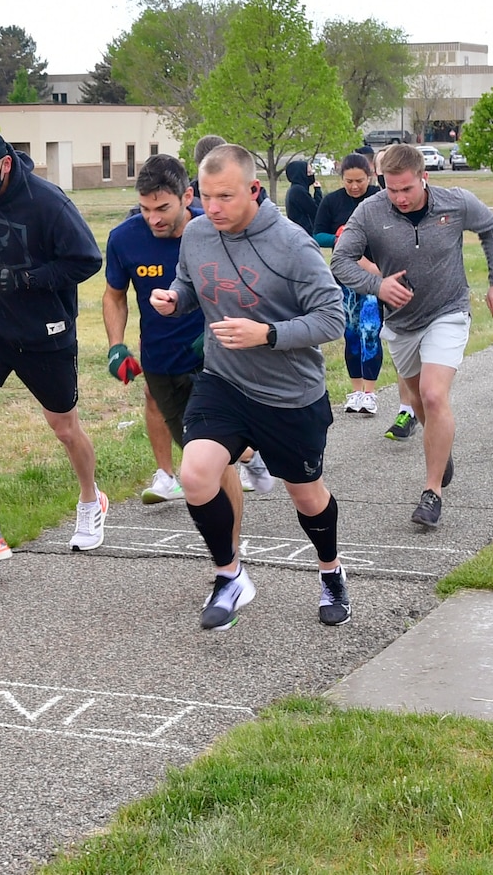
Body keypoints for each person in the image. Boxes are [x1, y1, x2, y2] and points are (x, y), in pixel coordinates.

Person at [149, 144, 348, 629]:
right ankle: (230, 575)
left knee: (306, 495)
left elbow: (332, 317)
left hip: (289, 393)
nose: (212, 208)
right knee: (196, 474)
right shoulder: (197, 233)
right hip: (224, 381)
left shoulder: (293, 243)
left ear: (254, 190)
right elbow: (189, 283)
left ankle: (331, 571)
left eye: (225, 197)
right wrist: (174, 300)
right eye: (206, 197)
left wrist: (268, 334)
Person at [0, 128, 106, 567]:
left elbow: (87, 259)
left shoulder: (48, 202)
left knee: (65, 429)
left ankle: (91, 500)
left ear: (6, 163)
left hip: (44, 330)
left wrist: (31, 278)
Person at [331, 142, 493, 530]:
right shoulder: (370, 210)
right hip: (400, 322)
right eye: (391, 189)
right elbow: (340, 261)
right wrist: (377, 286)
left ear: (423, 178)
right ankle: (441, 451)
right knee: (418, 400)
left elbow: (492, 230)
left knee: (432, 393)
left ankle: (431, 493)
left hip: (448, 310)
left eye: (406, 189)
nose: (399, 197)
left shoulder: (455, 202)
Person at [105, 154, 241, 515]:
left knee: (212, 448)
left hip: (216, 354)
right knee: (189, 436)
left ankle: (227, 536)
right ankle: (171, 476)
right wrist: (116, 346)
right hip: (161, 356)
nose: (153, 218)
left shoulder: (215, 232)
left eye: (162, 207)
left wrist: (217, 328)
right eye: (145, 208)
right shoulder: (124, 239)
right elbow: (114, 296)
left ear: (187, 197)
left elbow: (246, 288)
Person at [313, 152, 383, 415]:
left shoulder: (379, 197)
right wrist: (338, 236)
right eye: (349, 181)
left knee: (370, 331)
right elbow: (317, 233)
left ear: (370, 177)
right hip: (344, 277)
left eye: (360, 181)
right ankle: (355, 391)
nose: (354, 186)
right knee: (351, 334)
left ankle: (370, 392)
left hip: (373, 277)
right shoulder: (332, 202)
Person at [282, 160, 321, 234]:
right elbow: (316, 210)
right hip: (303, 233)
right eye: (309, 173)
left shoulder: (294, 189)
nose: (311, 175)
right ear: (301, 174)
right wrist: (318, 191)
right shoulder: (298, 191)